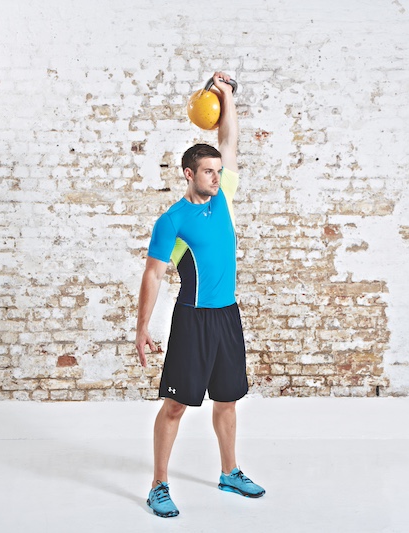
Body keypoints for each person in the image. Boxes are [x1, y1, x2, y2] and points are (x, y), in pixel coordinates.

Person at [135, 71, 265, 518]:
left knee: (227, 401)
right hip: (192, 321)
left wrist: (225, 94)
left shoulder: (223, 197)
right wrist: (141, 330)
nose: (216, 175)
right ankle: (158, 484)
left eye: (217, 170)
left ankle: (230, 472)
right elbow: (153, 275)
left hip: (227, 316)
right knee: (175, 407)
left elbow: (229, 138)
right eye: (207, 171)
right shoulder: (171, 221)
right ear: (189, 174)